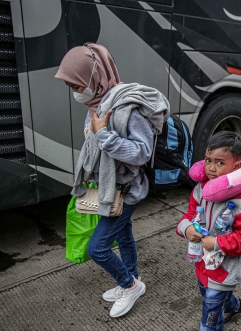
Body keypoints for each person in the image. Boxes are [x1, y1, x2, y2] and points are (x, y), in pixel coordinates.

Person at [55, 43, 170, 317]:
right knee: (124, 235)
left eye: (76, 85)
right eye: (71, 87)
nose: (75, 93)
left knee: (98, 248)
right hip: (109, 186)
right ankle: (132, 279)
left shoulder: (128, 107)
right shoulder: (98, 102)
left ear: (94, 76)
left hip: (126, 190)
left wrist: (104, 135)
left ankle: (129, 285)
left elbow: (141, 153)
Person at [176, 131, 241, 331]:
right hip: (203, 264)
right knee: (207, 293)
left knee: (210, 317)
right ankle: (233, 306)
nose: (212, 168)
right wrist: (186, 228)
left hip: (224, 272)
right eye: (208, 160)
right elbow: (191, 214)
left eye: (220, 163)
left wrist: (218, 242)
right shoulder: (200, 190)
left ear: (237, 166)